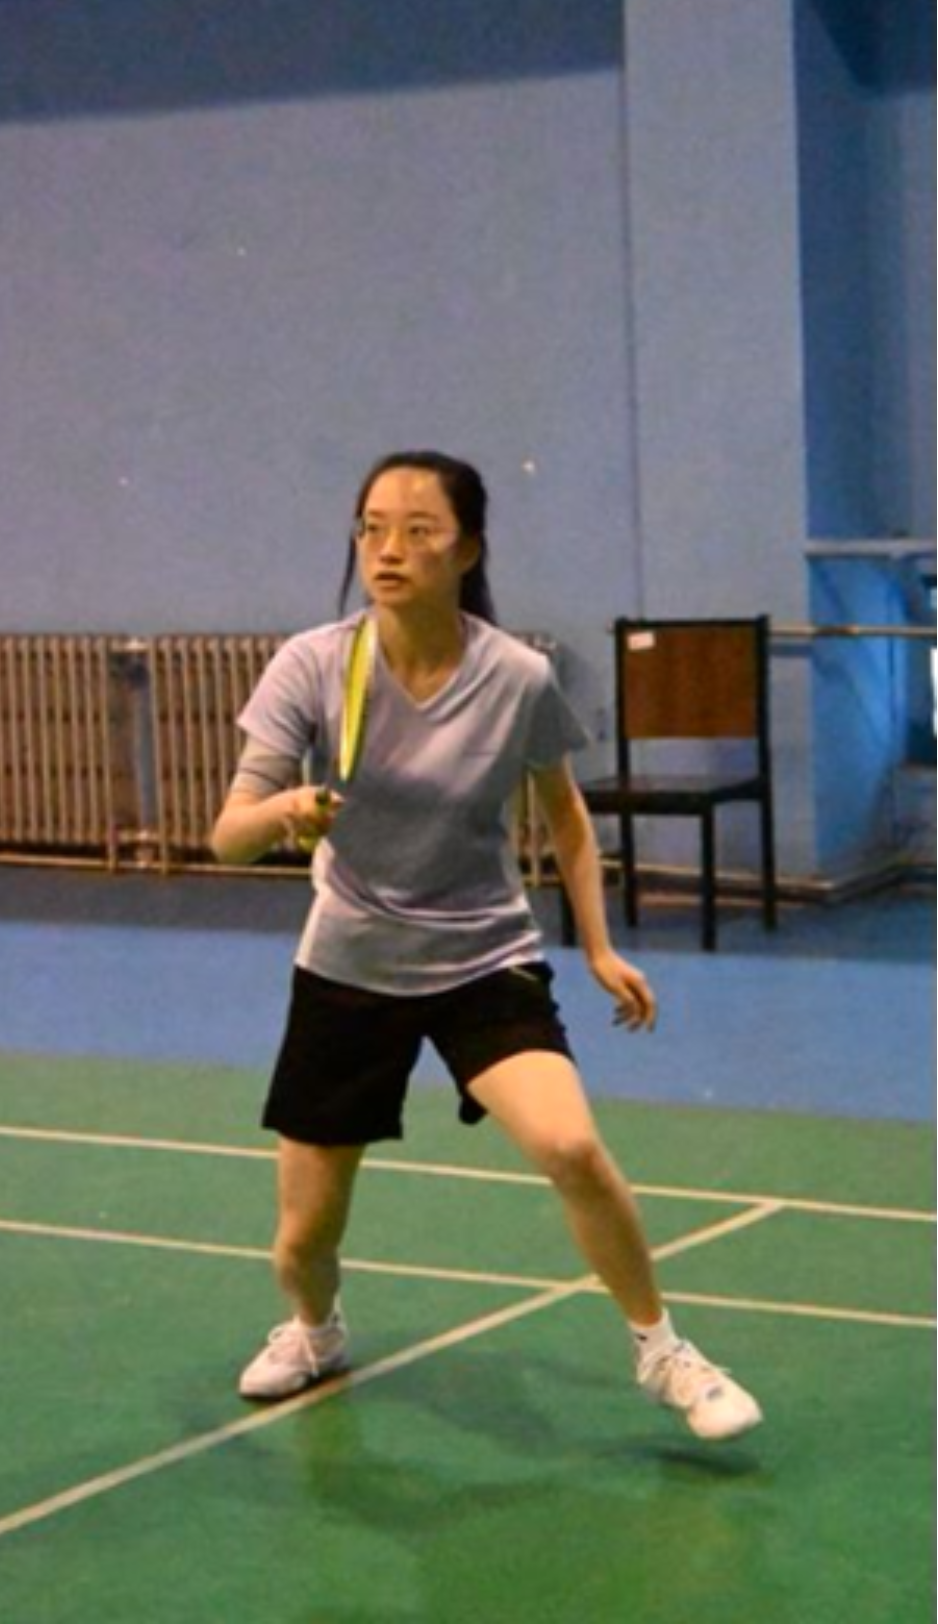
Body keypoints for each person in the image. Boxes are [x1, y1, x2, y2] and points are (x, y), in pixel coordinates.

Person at [211, 450, 762, 1443]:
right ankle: (316, 1330)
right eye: (372, 527)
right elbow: (228, 834)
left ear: (466, 550)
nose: (389, 548)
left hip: (482, 958)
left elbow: (567, 816)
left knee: (570, 1145)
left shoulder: (516, 677)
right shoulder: (315, 665)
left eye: (418, 529)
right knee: (301, 1241)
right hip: (348, 967)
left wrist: (598, 948)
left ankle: (663, 1349)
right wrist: (287, 809)